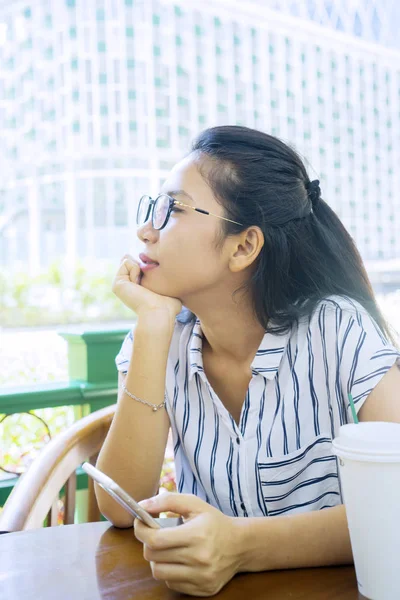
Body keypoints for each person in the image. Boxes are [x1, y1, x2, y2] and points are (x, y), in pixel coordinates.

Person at [96, 125, 400, 596]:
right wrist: (153, 327)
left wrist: (241, 547)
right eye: (154, 207)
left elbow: (396, 505)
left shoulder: (338, 329)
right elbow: (121, 505)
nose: (145, 230)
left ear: (243, 247)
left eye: (172, 209)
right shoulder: (159, 337)